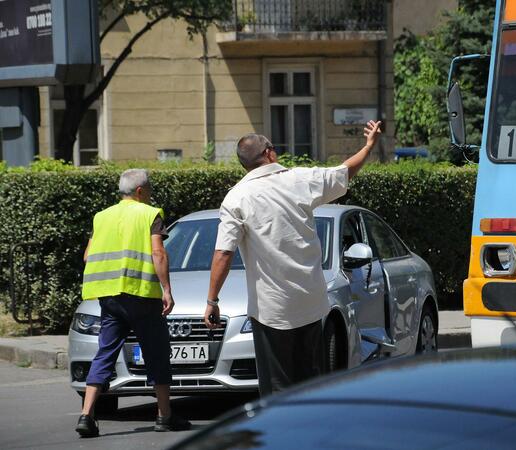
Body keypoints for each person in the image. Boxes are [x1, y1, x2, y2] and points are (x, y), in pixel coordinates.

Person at [205, 120, 382, 396]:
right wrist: (369, 146)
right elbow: (344, 173)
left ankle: (281, 435)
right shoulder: (299, 180)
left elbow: (223, 253)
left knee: (277, 387)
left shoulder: (236, 198)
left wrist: (212, 300)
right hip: (311, 303)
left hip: (271, 309)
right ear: (270, 153)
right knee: (311, 383)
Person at [75, 169, 190, 437]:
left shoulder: (101, 217)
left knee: (105, 352)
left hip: (109, 297)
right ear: (140, 192)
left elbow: (88, 256)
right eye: (149, 190)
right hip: (141, 295)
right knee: (157, 352)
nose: (150, 195)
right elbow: (158, 253)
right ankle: (164, 416)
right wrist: (167, 290)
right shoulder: (150, 214)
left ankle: (86, 415)